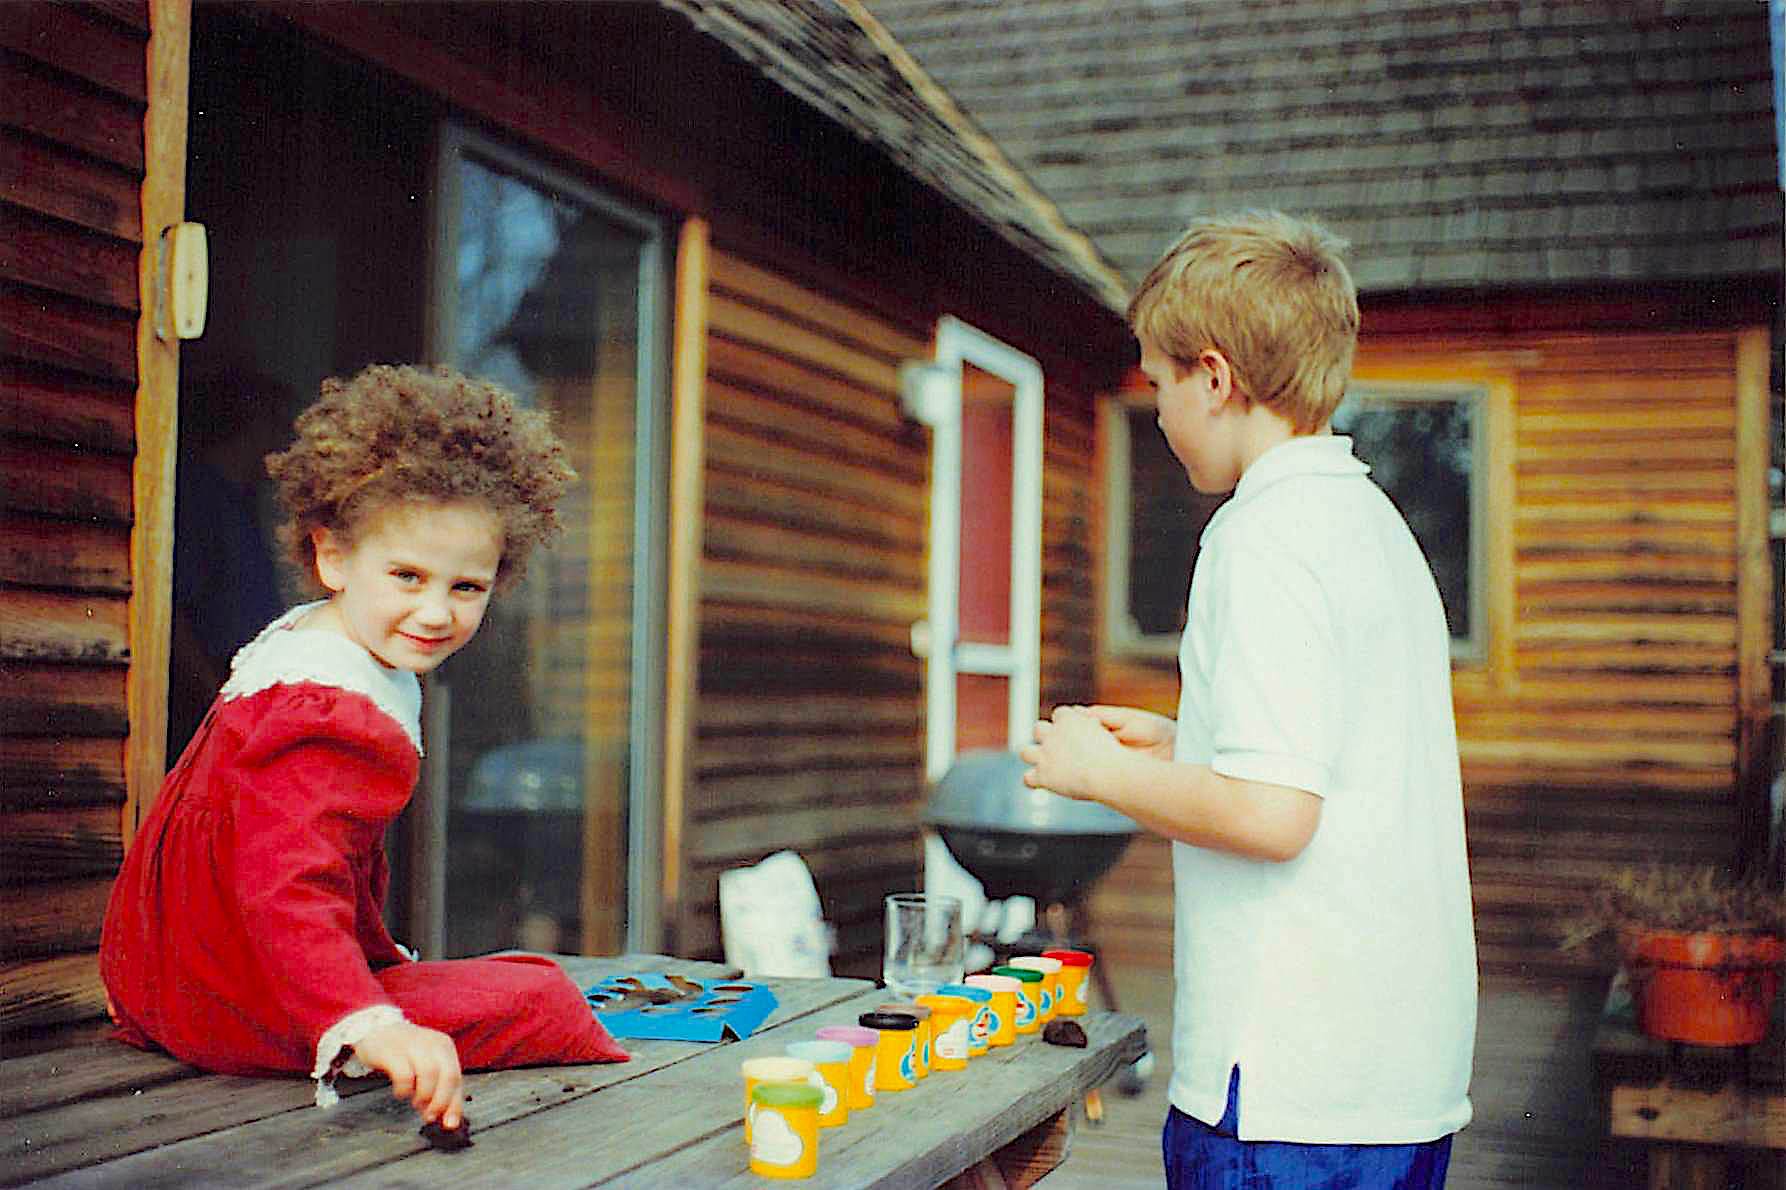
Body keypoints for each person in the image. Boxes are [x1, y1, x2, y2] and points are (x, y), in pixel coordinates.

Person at [1020, 211, 1476, 1188]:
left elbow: (1275, 815)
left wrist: (1099, 774)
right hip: (1394, 1078)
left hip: (1281, 1089)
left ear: (1216, 378)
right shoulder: (1370, 522)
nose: (1160, 411)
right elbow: (1333, 753)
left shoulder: (1258, 534)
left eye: (1159, 382)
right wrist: (1187, 736)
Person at [101, 364, 628, 1130]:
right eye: (407, 575)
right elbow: (285, 880)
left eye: (466, 587)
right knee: (543, 995)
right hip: (233, 995)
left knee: (506, 977)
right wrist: (368, 1019)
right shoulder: (333, 710)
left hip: (167, 973)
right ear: (334, 557)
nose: (434, 611)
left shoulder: (301, 642)